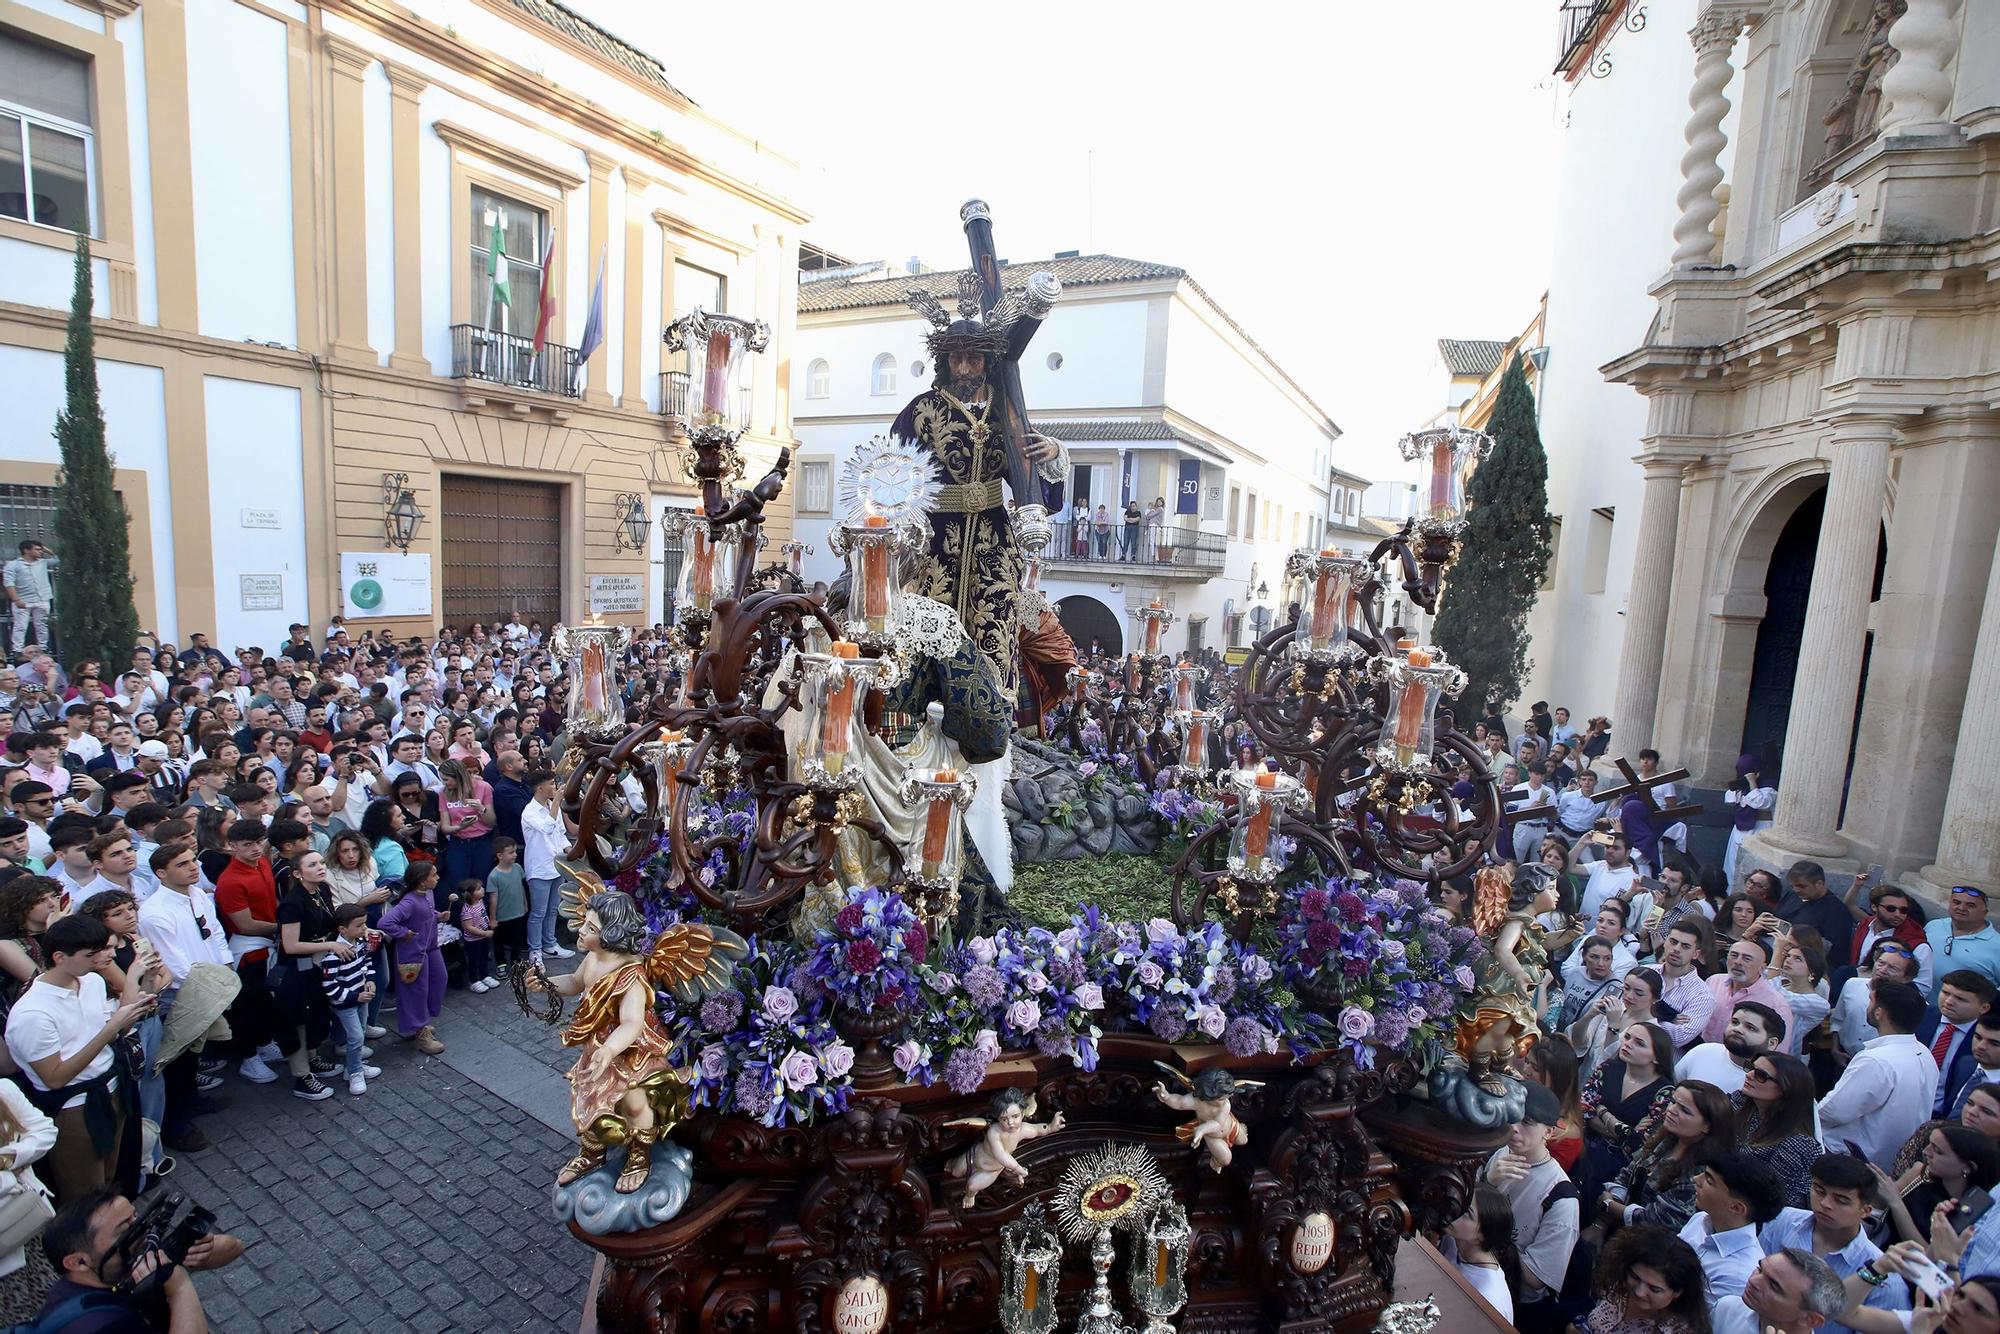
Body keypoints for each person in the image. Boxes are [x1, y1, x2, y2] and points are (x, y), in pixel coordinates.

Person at [2, 915, 149, 1207]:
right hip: (74, 1109)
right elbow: (54, 1078)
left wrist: (131, 1001)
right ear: (59, 957)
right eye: (91, 954)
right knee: (85, 1195)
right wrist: (110, 1029)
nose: (103, 958)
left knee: (111, 1178)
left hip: (112, 1090)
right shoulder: (32, 1014)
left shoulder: (92, 981)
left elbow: (106, 1029)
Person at [34, 1184, 223, 1332]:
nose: (142, 1232)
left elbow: (234, 1248)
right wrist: (178, 1286)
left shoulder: (113, 1269)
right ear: (78, 1262)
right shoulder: (93, 1323)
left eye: (136, 1218)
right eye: (125, 1230)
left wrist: (202, 1250)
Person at [1759, 1153, 1911, 1334]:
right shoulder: (1783, 1220)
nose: (1825, 1204)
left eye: (1841, 1200)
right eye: (1819, 1191)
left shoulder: (1886, 1281)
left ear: (1865, 1210)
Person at [1481, 1081, 1579, 1330]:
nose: (1513, 1129)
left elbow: (1535, 1279)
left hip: (1516, 1304)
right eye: (1512, 1117)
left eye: (1527, 1123)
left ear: (1549, 1132)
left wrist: (1489, 1230)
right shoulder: (1498, 1151)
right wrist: (1487, 1184)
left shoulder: (1562, 1197)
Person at [1819, 979, 1937, 1165]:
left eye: (1870, 1001)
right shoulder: (1925, 1053)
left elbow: (1834, 1111)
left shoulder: (1876, 1060)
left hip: (1854, 1161)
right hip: (1892, 1162)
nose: (1868, 1006)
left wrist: (1804, 1116)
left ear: (1879, 1012)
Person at [1604, 1080, 1735, 1234]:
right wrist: (1608, 1211)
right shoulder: (1665, 1141)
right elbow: (1626, 1175)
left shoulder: (1702, 1172)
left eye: (1685, 1110)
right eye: (1673, 1102)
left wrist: (1608, 1205)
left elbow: (1660, 1222)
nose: (1672, 1110)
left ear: (1708, 1126)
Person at [272, 850, 347, 1102]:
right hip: (296, 969)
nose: (320, 867)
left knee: (315, 1014)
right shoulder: (292, 903)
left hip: (316, 965)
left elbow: (329, 923)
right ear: (297, 873)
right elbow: (290, 945)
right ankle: (301, 1076)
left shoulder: (322, 891)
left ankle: (313, 1060)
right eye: (312, 865)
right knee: (298, 1021)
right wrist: (330, 946)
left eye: (321, 862)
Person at [211, 819, 281, 1086]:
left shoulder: (262, 862)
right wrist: (283, 927)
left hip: (268, 941)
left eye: (259, 842)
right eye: (247, 845)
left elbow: (271, 898)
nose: (255, 849)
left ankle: (263, 1043)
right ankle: (249, 1059)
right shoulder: (229, 881)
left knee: (263, 1002)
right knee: (246, 1007)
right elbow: (245, 925)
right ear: (232, 846)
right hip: (247, 948)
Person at [1580, 1021, 1679, 1203]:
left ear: (1657, 1057)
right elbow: (1584, 1110)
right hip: (1584, 1148)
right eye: (1627, 1037)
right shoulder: (1608, 1068)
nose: (1628, 1044)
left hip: (1620, 1167)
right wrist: (1623, 1130)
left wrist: (1602, 1111)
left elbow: (1640, 1141)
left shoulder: (1665, 1092)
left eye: (1639, 1043)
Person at [1873, 1123, 2000, 1248]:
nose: (1926, 1152)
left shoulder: (1977, 1211)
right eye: (1929, 1144)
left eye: (1938, 1151)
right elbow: (1878, 1208)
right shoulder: (1920, 1175)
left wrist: (1896, 1203)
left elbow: (1932, 1256)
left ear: (1967, 1167)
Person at [1680, 1152, 1788, 1299]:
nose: (1696, 1180)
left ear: (1736, 1208)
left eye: (1709, 1180)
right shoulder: (1701, 1219)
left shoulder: (1739, 1275)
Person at [1572, 1224, 1712, 1334]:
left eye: (1654, 1289)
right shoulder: (1619, 1287)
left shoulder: (1679, 1330)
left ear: (1678, 1292)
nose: (1639, 1292)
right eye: (1635, 1277)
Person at [1733, 1052, 1824, 1207]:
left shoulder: (1798, 1145)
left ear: (1786, 1088)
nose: (1749, 1075)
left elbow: (1776, 1204)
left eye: (1761, 1075)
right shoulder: (1742, 1105)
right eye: (1750, 1068)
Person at [379, 861, 445, 1055]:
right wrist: (403, 932)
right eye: (433, 875)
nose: (438, 877)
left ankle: (421, 1021)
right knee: (415, 991)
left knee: (439, 980)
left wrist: (439, 916)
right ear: (422, 882)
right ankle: (419, 1029)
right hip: (413, 953)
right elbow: (385, 922)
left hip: (430, 947)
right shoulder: (409, 901)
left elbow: (427, 912)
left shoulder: (428, 893)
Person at [320, 904, 382, 1098]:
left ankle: (355, 1066)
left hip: (361, 997)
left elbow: (367, 963)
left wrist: (370, 980)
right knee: (355, 1038)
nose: (364, 929)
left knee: (360, 1033)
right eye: (359, 925)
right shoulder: (334, 955)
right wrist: (356, 996)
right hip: (347, 1003)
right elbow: (330, 987)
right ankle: (354, 1072)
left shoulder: (360, 942)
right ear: (342, 929)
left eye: (365, 924)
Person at [1920, 971, 1999, 1119]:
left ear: (1984, 1008)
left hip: (1943, 1117)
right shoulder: (1920, 1016)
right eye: (1945, 992)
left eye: (1960, 999)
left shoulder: (1986, 1040)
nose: (1949, 1001)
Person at [1443, 1186, 1520, 1323]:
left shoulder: (1489, 1296)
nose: (1454, 1212)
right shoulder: (1453, 1241)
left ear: (1483, 1235)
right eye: (1460, 1203)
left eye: (1467, 1214)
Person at [1572, 968, 1664, 1080]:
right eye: (1626, 988)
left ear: (1655, 998)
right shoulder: (1614, 1008)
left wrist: (1613, 1025)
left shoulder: (1652, 1031)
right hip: (1582, 1077)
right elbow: (1578, 1042)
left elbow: (1610, 1062)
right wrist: (1590, 1015)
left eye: (1639, 994)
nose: (1629, 996)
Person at [520, 769, 573, 965]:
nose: (555, 787)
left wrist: (570, 851)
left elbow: (559, 833)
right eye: (551, 783)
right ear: (540, 788)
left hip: (556, 865)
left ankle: (550, 944)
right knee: (538, 913)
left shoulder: (552, 806)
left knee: (552, 910)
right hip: (539, 867)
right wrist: (558, 802)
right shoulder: (529, 811)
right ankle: (535, 950)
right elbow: (547, 828)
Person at [1703, 936, 1796, 1047]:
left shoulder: (1776, 1005)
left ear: (1762, 968)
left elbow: (1778, 1051)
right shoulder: (1713, 981)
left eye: (1747, 958)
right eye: (1734, 955)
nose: (1738, 962)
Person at [1849, 883, 1932, 997]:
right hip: (1854, 990)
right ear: (1874, 907)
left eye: (1903, 910)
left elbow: (1921, 989)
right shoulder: (1865, 925)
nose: (1898, 914)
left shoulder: (1918, 946)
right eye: (1891, 909)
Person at [1656, 918, 1718, 1053]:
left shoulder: (1703, 996)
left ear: (1696, 954)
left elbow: (1679, 1037)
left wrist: (1643, 1013)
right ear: (1665, 943)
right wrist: (1667, 1018)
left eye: (1685, 946)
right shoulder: (1645, 972)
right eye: (1673, 942)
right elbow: (1620, 1008)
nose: (1677, 949)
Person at [1928, 886, 2000, 991]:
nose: (1961, 908)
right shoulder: (1933, 926)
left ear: (1985, 912)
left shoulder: (1997, 945)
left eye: (1971, 905)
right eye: (1956, 902)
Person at [1722, 756, 1776, 889]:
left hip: (1760, 829)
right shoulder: (1741, 787)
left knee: (1754, 870)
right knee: (1732, 866)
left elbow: (1758, 802)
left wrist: (1752, 782)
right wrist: (1742, 784)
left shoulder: (1770, 786)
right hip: (1740, 830)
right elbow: (1729, 798)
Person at [2, 541, 52, 659]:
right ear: (26, 550)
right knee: (20, 625)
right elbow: (8, 583)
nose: (40, 552)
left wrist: (47, 550)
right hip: (23, 599)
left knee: (42, 625)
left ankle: (43, 647)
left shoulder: (43, 562)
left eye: (41, 550)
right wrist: (16, 599)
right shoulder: (13, 565)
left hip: (42, 598)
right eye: (37, 549)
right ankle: (17, 650)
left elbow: (59, 559)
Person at [487, 836, 528, 976]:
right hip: (501, 916)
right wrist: (492, 918)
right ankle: (501, 963)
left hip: (518, 912)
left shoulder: (517, 868)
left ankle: (516, 963)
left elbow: (521, 887)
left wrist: (525, 903)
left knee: (517, 940)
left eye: (515, 851)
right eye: (511, 852)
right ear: (500, 855)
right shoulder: (494, 876)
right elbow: (493, 898)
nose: (515, 855)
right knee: (499, 940)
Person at [456, 879, 497, 993]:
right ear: (470, 893)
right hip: (473, 940)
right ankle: (474, 981)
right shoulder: (467, 910)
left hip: (484, 937)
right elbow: (468, 927)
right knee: (474, 960)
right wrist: (484, 933)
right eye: (479, 889)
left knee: (484, 957)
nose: (483, 890)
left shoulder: (480, 902)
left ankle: (485, 976)